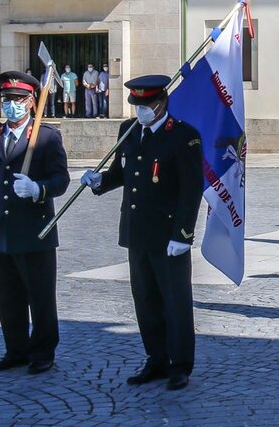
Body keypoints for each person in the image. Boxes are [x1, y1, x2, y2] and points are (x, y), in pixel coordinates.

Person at [81, 75, 204, 390]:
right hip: (137, 232)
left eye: (146, 105)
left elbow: (191, 190)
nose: (140, 111)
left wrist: (183, 234)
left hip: (168, 235)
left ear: (161, 102)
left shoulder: (183, 137)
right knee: (145, 300)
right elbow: (122, 173)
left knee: (175, 301)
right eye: (136, 105)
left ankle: (180, 364)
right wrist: (100, 183)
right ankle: (156, 358)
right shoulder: (129, 132)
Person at [0, 71, 70, 375]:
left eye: (18, 100)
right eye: (7, 100)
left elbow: (61, 179)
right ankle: (15, 350)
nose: (12, 105)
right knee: (8, 298)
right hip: (0, 233)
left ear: (32, 102)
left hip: (34, 231)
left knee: (40, 297)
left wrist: (37, 188)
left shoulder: (45, 136)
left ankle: (43, 351)